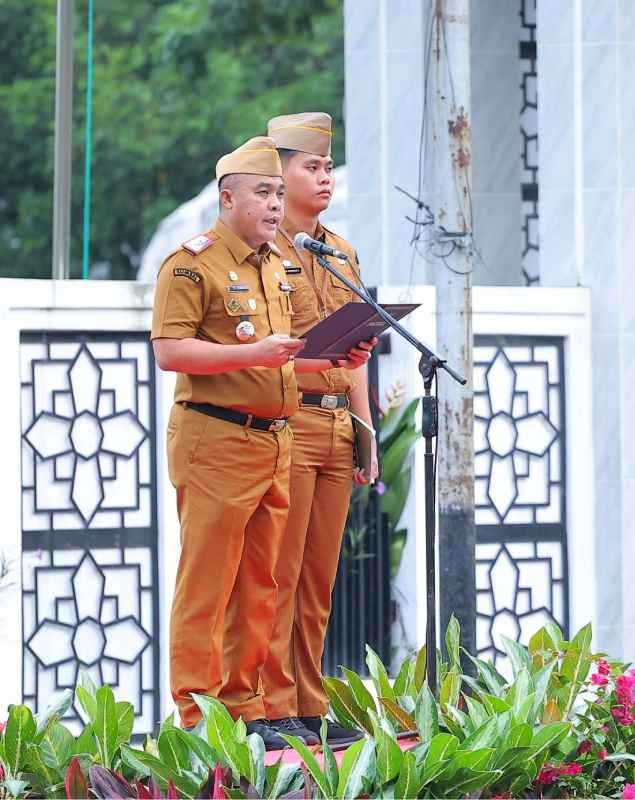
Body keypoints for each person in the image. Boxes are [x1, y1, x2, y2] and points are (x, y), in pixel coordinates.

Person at [151, 137, 363, 748]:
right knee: (208, 583)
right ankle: (197, 716)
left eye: (277, 193)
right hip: (215, 436)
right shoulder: (191, 264)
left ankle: (248, 710)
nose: (274, 205)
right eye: (263, 193)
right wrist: (254, 355)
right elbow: (170, 351)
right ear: (228, 198)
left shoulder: (273, 266)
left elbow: (279, 359)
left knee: (261, 583)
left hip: (273, 439)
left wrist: (333, 360)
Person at [259, 112, 377, 747]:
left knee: (318, 579)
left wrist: (365, 430)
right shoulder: (264, 251)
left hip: (335, 425)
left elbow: (357, 351)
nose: (326, 177)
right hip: (289, 420)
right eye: (313, 166)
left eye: (329, 166)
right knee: (279, 573)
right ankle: (273, 706)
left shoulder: (340, 252)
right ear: (279, 174)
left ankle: (309, 704)